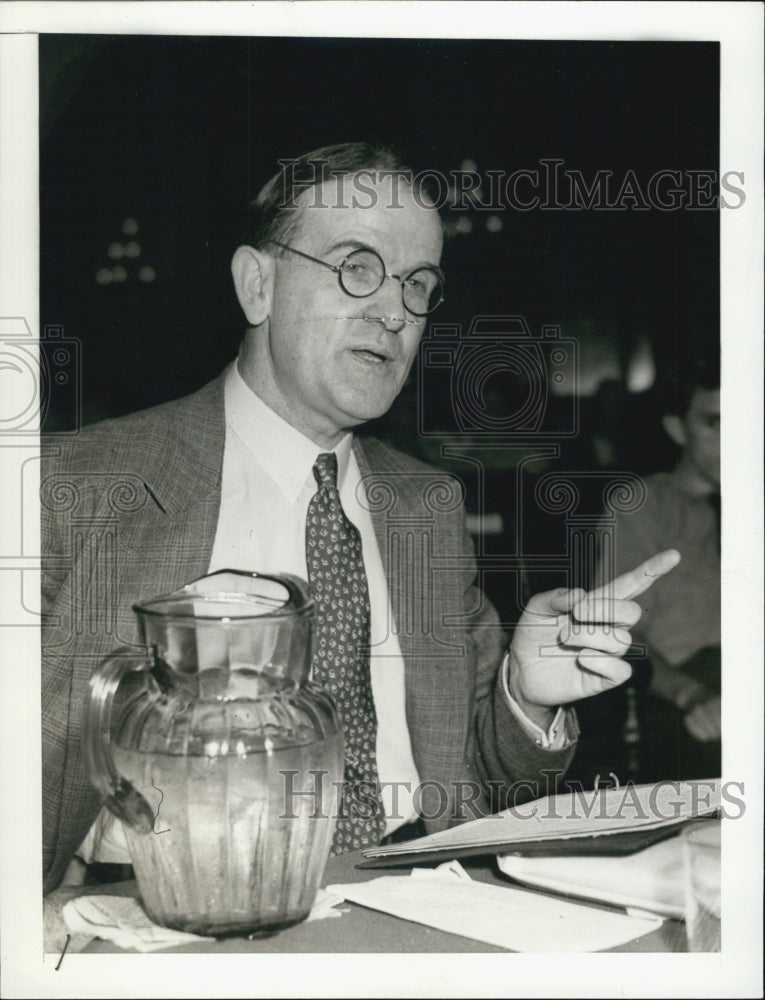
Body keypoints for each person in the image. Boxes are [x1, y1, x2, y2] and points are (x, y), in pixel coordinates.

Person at [41, 143, 679, 919]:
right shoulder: (75, 487)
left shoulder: (428, 506)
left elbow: (483, 781)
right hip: (169, 909)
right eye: (356, 267)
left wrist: (523, 696)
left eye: (418, 284)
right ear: (257, 284)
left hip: (423, 898)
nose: (395, 311)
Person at [592, 354, 720, 781]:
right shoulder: (642, 506)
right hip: (681, 701)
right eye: (716, 423)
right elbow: (621, 635)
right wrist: (693, 695)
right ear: (677, 428)